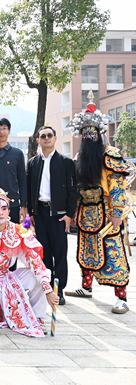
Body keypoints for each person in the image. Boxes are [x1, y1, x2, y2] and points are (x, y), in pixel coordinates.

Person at [0, 182, 59, 337]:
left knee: (40, 274)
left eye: (4, 208)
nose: (0, 212)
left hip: (7, 278)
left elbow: (35, 261)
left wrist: (48, 290)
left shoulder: (17, 230)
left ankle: (37, 316)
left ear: (9, 211)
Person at [65, 98, 131, 314]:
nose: (88, 136)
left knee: (113, 251)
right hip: (86, 212)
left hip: (107, 211)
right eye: (85, 132)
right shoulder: (80, 157)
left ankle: (121, 297)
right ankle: (86, 287)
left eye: (92, 131)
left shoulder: (110, 154)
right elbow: (77, 187)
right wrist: (75, 211)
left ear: (99, 133)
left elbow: (117, 186)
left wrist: (117, 213)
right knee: (86, 250)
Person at [27, 126, 78, 306]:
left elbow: (73, 190)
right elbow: (29, 189)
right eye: (43, 136)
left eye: (50, 135)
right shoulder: (33, 163)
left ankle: (59, 289)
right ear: (38, 140)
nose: (46, 138)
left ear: (55, 138)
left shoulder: (66, 162)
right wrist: (31, 212)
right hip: (40, 213)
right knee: (44, 253)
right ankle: (47, 288)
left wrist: (69, 214)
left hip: (59, 214)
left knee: (60, 253)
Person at [0, 118, 27, 223]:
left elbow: (22, 181)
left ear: (9, 131)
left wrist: (23, 206)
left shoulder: (17, 154)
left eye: (4, 128)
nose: (1, 131)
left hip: (13, 205)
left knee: (12, 233)